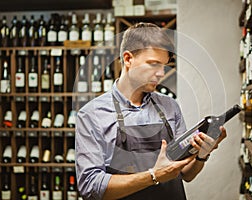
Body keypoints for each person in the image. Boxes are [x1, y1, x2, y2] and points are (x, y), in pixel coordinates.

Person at [75, 22, 227, 200]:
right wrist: (153, 176)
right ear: (128, 59)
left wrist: (202, 154)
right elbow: (90, 186)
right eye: (153, 64)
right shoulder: (92, 114)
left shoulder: (170, 106)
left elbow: (186, 174)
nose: (161, 73)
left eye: (164, 65)